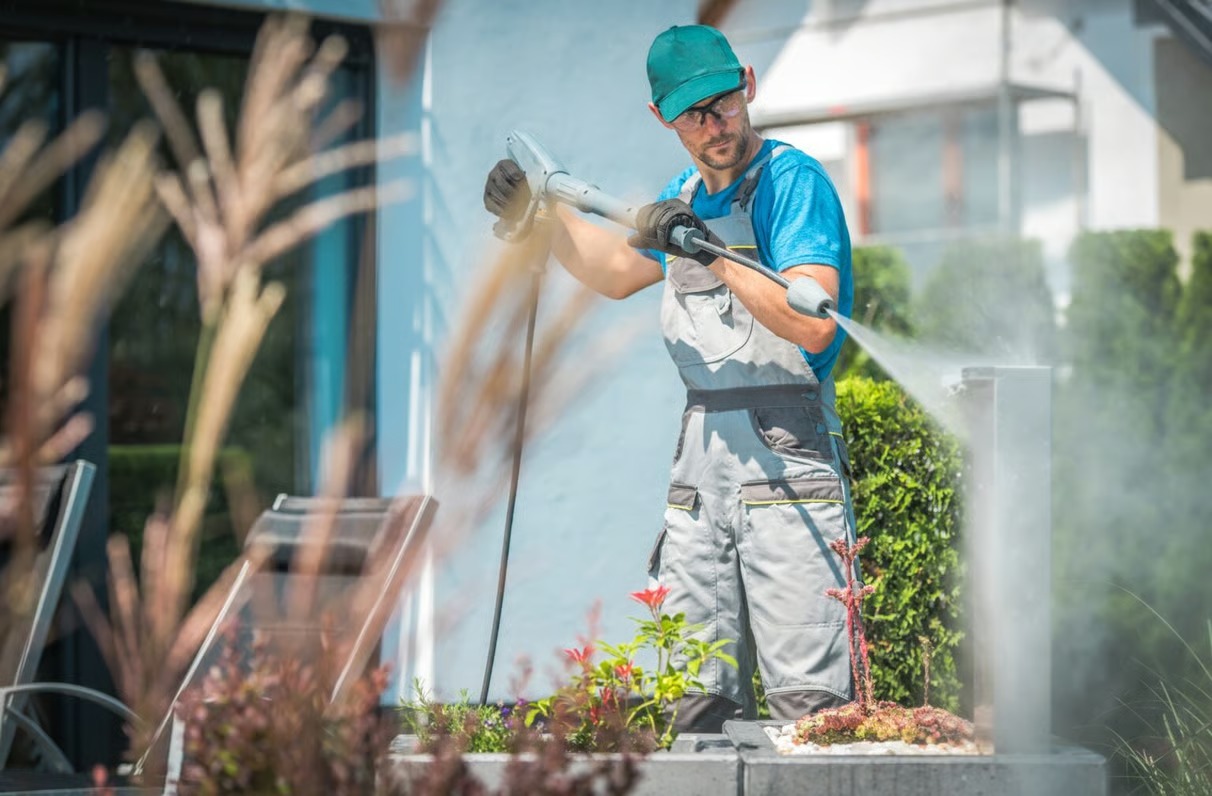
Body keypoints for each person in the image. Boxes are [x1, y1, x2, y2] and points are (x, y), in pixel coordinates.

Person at [482, 23, 857, 732]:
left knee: (809, 704)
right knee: (695, 693)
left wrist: (708, 251)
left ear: (748, 84)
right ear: (662, 118)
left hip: (788, 455)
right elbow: (615, 271)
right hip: (700, 459)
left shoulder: (790, 182)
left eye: (724, 103)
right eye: (694, 114)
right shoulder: (682, 192)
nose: (715, 125)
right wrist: (542, 215)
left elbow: (813, 324)